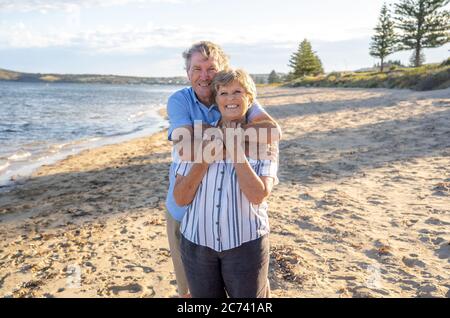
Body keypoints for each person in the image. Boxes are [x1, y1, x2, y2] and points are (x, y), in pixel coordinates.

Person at [165, 41, 281, 297]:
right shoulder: (180, 101)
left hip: (244, 236)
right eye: (197, 69)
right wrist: (232, 141)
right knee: (190, 292)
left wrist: (220, 143)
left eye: (211, 69)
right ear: (188, 73)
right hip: (187, 221)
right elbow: (184, 148)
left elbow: (274, 132)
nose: (204, 76)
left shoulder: (248, 107)